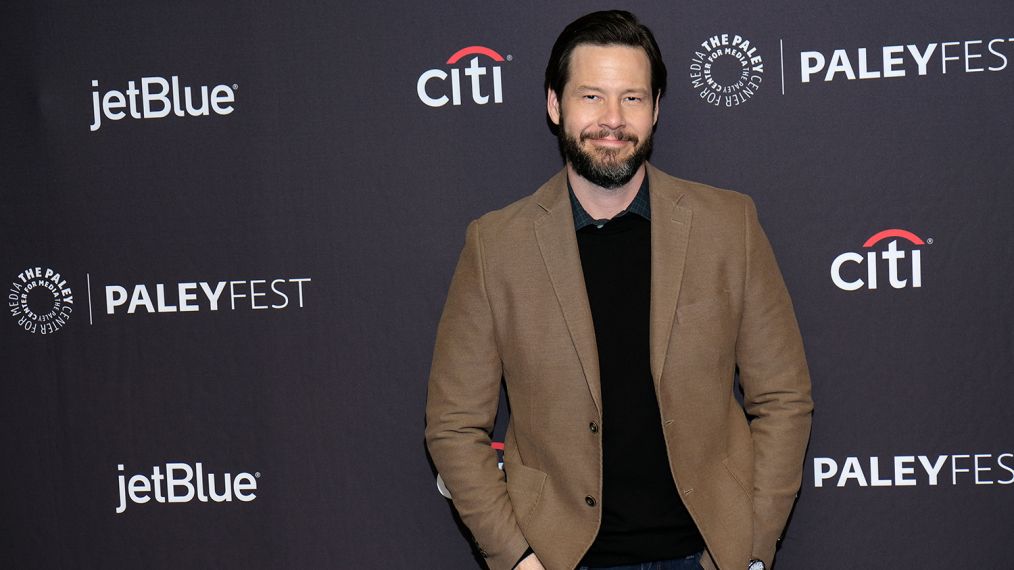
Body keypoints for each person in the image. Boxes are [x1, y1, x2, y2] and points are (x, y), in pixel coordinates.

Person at [425, 10, 812, 570]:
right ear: (555, 106)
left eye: (631, 98)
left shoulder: (729, 225)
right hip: (561, 557)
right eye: (591, 97)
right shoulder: (495, 246)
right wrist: (516, 558)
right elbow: (454, 424)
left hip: (707, 554)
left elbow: (782, 397)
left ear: (656, 109)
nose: (612, 120)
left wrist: (752, 549)